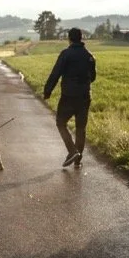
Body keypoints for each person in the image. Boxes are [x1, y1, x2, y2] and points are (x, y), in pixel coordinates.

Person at [43, 27, 96, 167]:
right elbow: (93, 77)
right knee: (80, 128)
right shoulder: (89, 55)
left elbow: (56, 73)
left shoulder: (66, 54)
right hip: (85, 97)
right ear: (81, 37)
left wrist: (47, 91)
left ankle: (72, 151)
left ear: (70, 38)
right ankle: (77, 161)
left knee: (61, 123)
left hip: (68, 96)